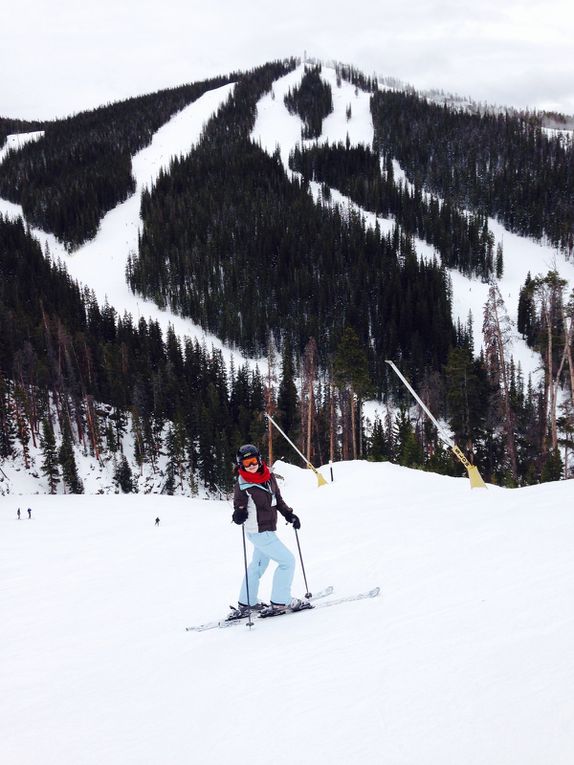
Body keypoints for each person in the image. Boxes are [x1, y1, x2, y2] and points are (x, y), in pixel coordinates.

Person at [229, 443, 306, 619]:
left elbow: (277, 499)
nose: (251, 465)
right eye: (247, 463)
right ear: (241, 464)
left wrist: (289, 515)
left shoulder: (268, 476)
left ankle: (246, 601)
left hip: (266, 529)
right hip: (258, 531)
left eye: (254, 460)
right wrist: (238, 514)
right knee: (287, 561)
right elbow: (238, 506)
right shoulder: (242, 484)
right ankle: (281, 601)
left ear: (259, 459)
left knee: (258, 564)